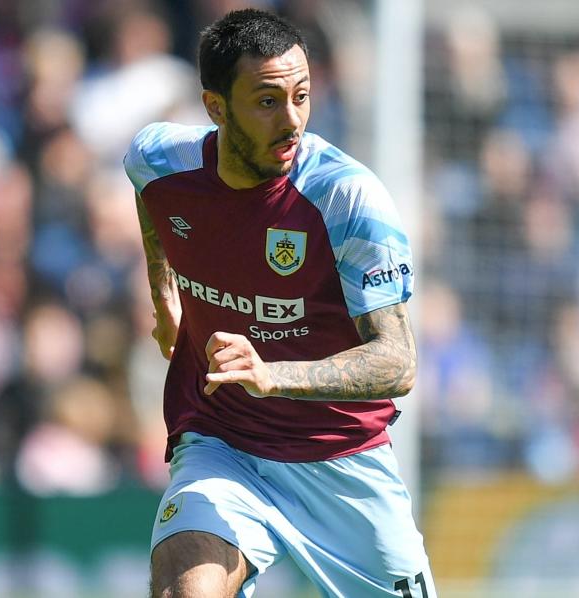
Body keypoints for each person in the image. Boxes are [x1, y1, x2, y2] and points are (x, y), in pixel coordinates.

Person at [124, 9, 433, 598]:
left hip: (341, 460)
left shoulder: (346, 198)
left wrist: (271, 374)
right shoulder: (163, 160)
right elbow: (146, 189)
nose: (292, 120)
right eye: (268, 101)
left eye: (301, 96)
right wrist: (163, 295)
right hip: (223, 445)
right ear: (216, 108)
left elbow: (399, 362)